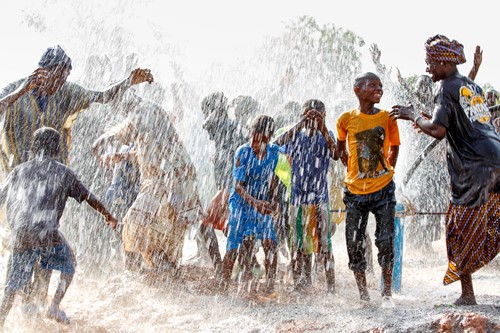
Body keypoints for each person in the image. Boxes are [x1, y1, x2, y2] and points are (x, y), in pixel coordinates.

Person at [391, 34, 500, 306]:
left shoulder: (446, 87)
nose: (427, 69)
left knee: (457, 226)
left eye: (430, 63)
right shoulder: (470, 85)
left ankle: (467, 295)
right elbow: (455, 121)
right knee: (493, 220)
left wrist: (413, 115)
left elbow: (439, 131)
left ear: (443, 63)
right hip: (495, 157)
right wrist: (425, 119)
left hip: (474, 166)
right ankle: (468, 291)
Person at [0, 127, 117, 327]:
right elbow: (90, 197)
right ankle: (53, 306)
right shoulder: (63, 172)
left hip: (21, 235)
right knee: (69, 262)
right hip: (47, 235)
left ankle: (2, 320)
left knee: (11, 287)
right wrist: (109, 216)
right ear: (57, 148)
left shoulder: (18, 170)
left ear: (34, 147)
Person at [92, 88, 203, 275]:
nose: (119, 111)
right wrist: (121, 155)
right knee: (162, 230)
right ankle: (166, 274)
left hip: (165, 178)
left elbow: (121, 134)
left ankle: (134, 278)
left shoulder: (141, 112)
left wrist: (100, 141)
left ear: (124, 101)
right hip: (173, 174)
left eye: (117, 106)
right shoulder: (150, 110)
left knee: (134, 224)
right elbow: (151, 149)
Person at [0, 45, 153, 173]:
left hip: (51, 173)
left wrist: (128, 81)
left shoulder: (66, 92)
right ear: (42, 71)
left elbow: (102, 96)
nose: (60, 83)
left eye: (64, 78)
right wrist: (21, 90)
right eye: (57, 77)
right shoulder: (16, 89)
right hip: (16, 171)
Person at [336, 72, 400, 307]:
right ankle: (363, 296)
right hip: (354, 192)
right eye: (373, 85)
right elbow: (340, 147)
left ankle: (386, 294)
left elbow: (394, 147)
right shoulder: (345, 119)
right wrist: (352, 170)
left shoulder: (387, 118)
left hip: (383, 190)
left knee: (385, 241)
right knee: (354, 242)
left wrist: (388, 170)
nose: (379, 89)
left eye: (381, 85)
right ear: (358, 90)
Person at [274, 99, 338, 294]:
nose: (312, 121)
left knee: (324, 245)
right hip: (297, 199)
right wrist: (300, 123)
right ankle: (300, 285)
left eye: (316, 116)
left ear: (324, 115)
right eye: (307, 116)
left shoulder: (326, 136)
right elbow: (276, 144)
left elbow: (336, 154)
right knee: (298, 245)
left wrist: (323, 127)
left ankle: (331, 288)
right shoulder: (295, 136)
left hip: (320, 199)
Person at [220, 115, 280, 294]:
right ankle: (224, 287)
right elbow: (237, 186)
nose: (256, 143)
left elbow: (272, 179)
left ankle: (270, 287)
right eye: (254, 138)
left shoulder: (273, 153)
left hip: (261, 203)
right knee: (234, 246)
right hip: (241, 204)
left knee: (270, 243)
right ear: (250, 133)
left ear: (268, 138)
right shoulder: (242, 152)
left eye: (261, 140)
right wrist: (255, 204)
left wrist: (274, 201)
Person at [198, 92, 248, 278]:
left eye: (206, 112)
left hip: (230, 186)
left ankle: (225, 271)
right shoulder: (229, 127)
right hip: (230, 186)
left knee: (209, 227)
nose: (205, 118)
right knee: (231, 229)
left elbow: (207, 124)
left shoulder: (223, 125)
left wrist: (218, 106)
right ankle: (245, 267)